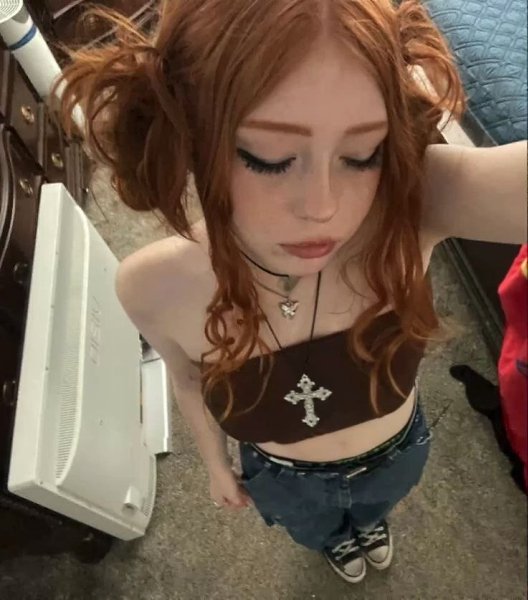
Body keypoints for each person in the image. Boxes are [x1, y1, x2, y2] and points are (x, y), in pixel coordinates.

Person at [55, 0, 527, 584]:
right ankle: (334, 540)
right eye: (270, 158)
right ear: (189, 134)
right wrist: (215, 463)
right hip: (283, 475)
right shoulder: (151, 285)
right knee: (315, 529)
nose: (323, 208)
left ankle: (367, 525)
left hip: (396, 453)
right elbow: (187, 377)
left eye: (362, 154)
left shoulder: (412, 208)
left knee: (377, 508)